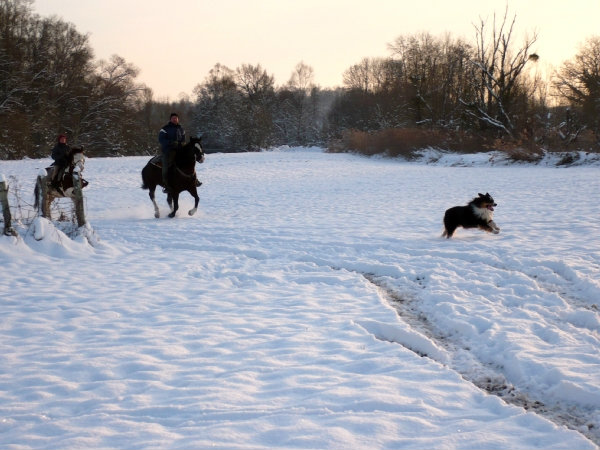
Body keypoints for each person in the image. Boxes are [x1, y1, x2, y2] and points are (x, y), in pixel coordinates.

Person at [158, 112, 186, 193]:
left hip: (179, 151)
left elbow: (183, 140)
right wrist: (171, 143)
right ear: (170, 119)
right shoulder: (165, 129)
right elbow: (161, 140)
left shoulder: (181, 129)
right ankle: (166, 185)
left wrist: (183, 143)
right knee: (166, 167)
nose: (175, 119)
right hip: (168, 151)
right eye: (173, 118)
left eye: (176, 118)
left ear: (178, 119)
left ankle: (194, 180)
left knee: (189, 161)